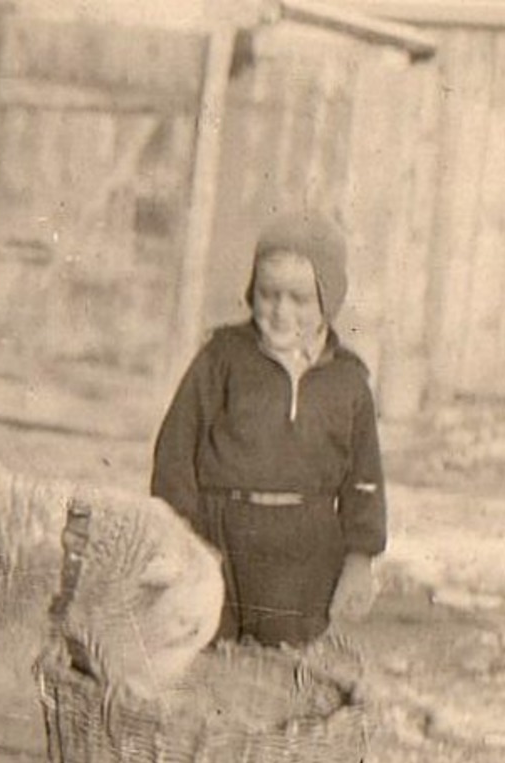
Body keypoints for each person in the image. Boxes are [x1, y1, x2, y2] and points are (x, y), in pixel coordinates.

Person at [151, 210, 386, 647]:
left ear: (329, 301)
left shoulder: (348, 382)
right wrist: (179, 536)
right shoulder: (222, 359)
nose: (280, 311)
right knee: (204, 652)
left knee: (281, 670)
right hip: (216, 539)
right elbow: (176, 450)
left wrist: (360, 558)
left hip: (303, 554)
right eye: (267, 294)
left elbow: (364, 480)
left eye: (299, 299)